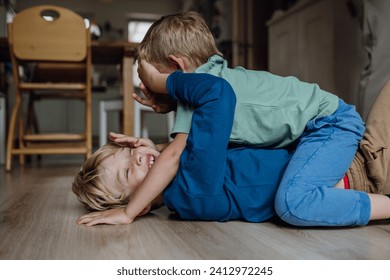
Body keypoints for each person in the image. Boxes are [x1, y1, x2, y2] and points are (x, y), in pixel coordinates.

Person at [74, 11, 390, 226]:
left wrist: (166, 106)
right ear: (141, 204)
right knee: (294, 201)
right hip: (342, 151)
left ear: (178, 68)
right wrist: (168, 94)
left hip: (337, 133)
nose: (138, 158)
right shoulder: (191, 191)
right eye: (129, 171)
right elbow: (201, 127)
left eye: (130, 153)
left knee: (294, 200)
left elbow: (192, 143)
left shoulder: (199, 110)